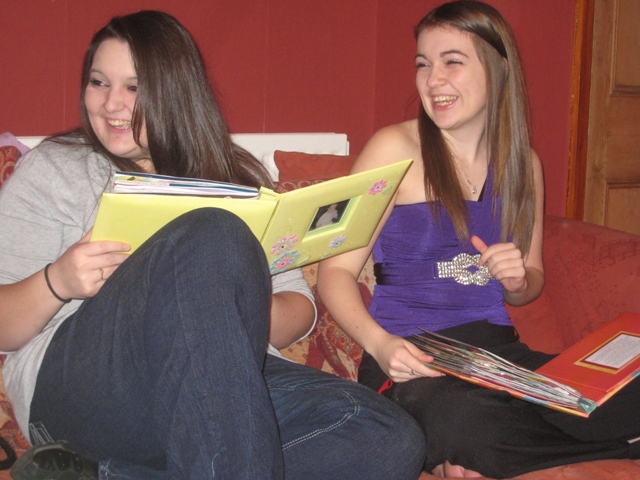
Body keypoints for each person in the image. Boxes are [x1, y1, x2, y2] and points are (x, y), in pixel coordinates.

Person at [0, 10, 428, 480]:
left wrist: (214, 302)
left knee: (386, 437)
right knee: (211, 231)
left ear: (175, 92)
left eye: (134, 87)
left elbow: (297, 313)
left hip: (226, 379)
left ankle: (98, 475)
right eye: (99, 83)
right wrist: (58, 281)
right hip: (82, 390)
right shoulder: (56, 169)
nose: (111, 104)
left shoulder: (234, 179)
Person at [317, 1, 640, 478]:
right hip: (417, 359)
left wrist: (516, 279)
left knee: (616, 386)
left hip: (500, 358)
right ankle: (608, 443)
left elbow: (530, 284)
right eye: (423, 64)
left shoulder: (523, 164)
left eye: (452, 61)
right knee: (459, 418)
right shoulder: (394, 149)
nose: (432, 80)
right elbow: (334, 272)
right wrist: (382, 346)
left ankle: (489, 449)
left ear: (497, 67)